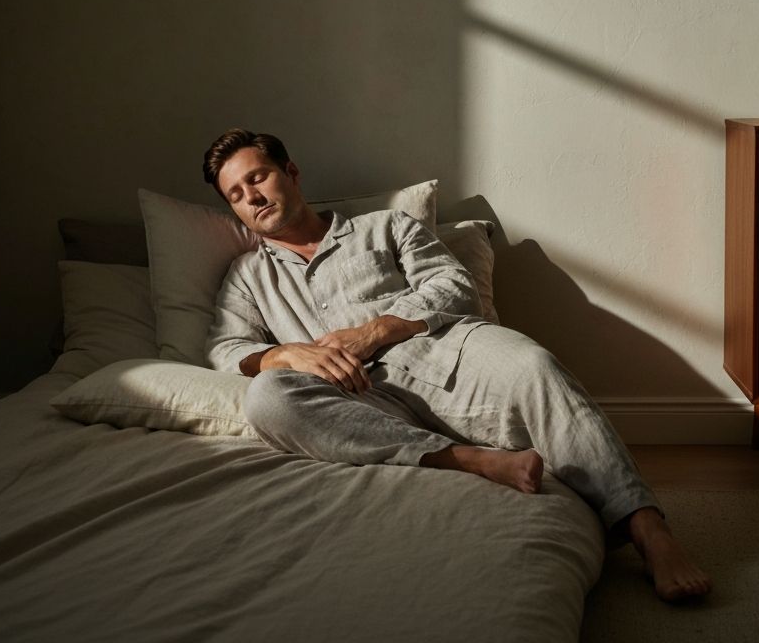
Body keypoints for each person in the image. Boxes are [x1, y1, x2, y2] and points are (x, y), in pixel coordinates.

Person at [202, 128, 711, 603]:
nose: (251, 196)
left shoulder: (385, 226)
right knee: (268, 397)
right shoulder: (248, 276)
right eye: (236, 194)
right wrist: (286, 353)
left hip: (446, 357)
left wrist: (378, 329)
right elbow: (225, 348)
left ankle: (649, 530)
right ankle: (468, 460)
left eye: (257, 177)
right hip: (361, 401)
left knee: (535, 364)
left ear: (291, 172)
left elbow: (453, 284)